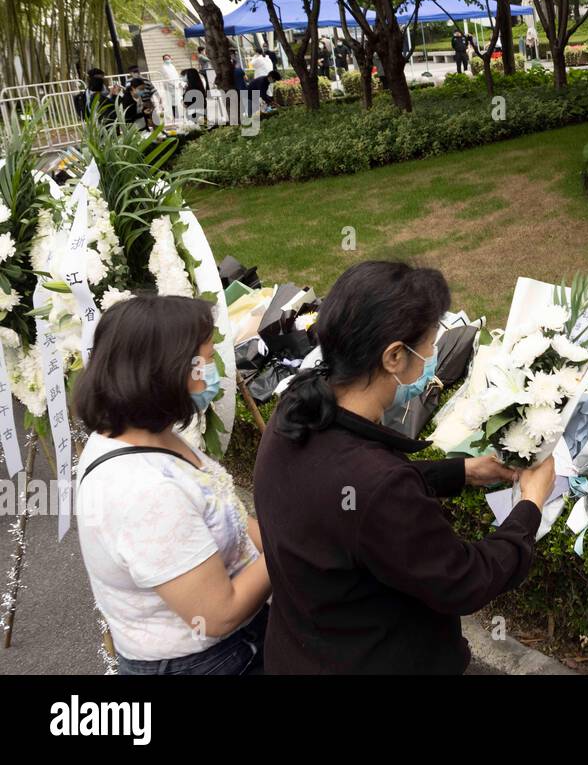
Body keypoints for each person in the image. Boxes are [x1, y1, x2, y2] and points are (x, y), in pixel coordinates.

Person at [253, 260, 552, 674]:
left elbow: (346, 500)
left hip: (301, 650)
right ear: (394, 356)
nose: (432, 356)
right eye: (429, 345)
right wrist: (531, 506)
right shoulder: (375, 485)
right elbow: (463, 579)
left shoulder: (296, 410)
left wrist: (461, 472)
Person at [73, 295, 271, 675]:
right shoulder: (144, 490)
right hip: (208, 662)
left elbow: (225, 512)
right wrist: (297, 548)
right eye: (207, 361)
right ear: (166, 371)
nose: (216, 371)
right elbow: (217, 614)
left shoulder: (145, 433)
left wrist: (277, 538)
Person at [159, 54, 182, 124]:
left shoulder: (172, 66)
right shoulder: (163, 67)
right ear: (163, 60)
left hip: (175, 86)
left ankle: (178, 116)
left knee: (177, 101)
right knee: (171, 102)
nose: (167, 60)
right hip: (169, 86)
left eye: (168, 58)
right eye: (165, 59)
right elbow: (167, 77)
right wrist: (174, 84)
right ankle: (173, 117)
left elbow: (176, 75)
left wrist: (178, 83)